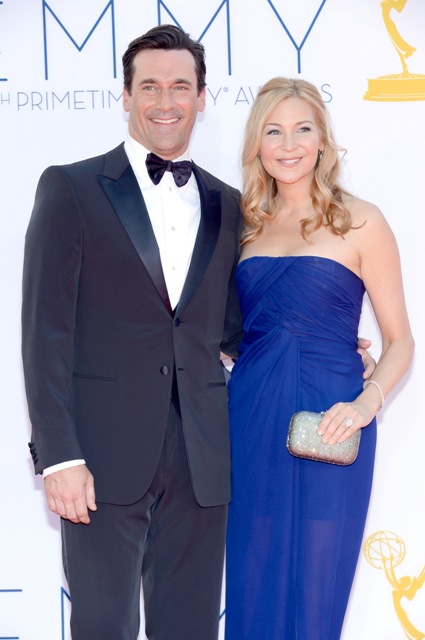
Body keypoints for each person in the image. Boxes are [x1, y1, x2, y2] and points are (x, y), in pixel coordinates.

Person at [21, 24, 243, 640]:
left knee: (190, 629)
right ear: (125, 96)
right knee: (103, 627)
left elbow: (231, 326)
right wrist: (59, 456)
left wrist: (323, 341)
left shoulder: (228, 203)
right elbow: (44, 334)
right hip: (98, 459)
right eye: (149, 86)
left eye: (180, 86)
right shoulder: (70, 188)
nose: (165, 102)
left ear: (202, 97)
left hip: (201, 458)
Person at [224, 77, 414, 639]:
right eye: (273, 131)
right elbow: (221, 329)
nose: (289, 144)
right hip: (252, 416)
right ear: (257, 144)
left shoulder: (361, 221)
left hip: (331, 421)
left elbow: (401, 341)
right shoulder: (243, 227)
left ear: (323, 141)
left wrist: (365, 404)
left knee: (317, 582)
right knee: (254, 573)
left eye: (302, 129)